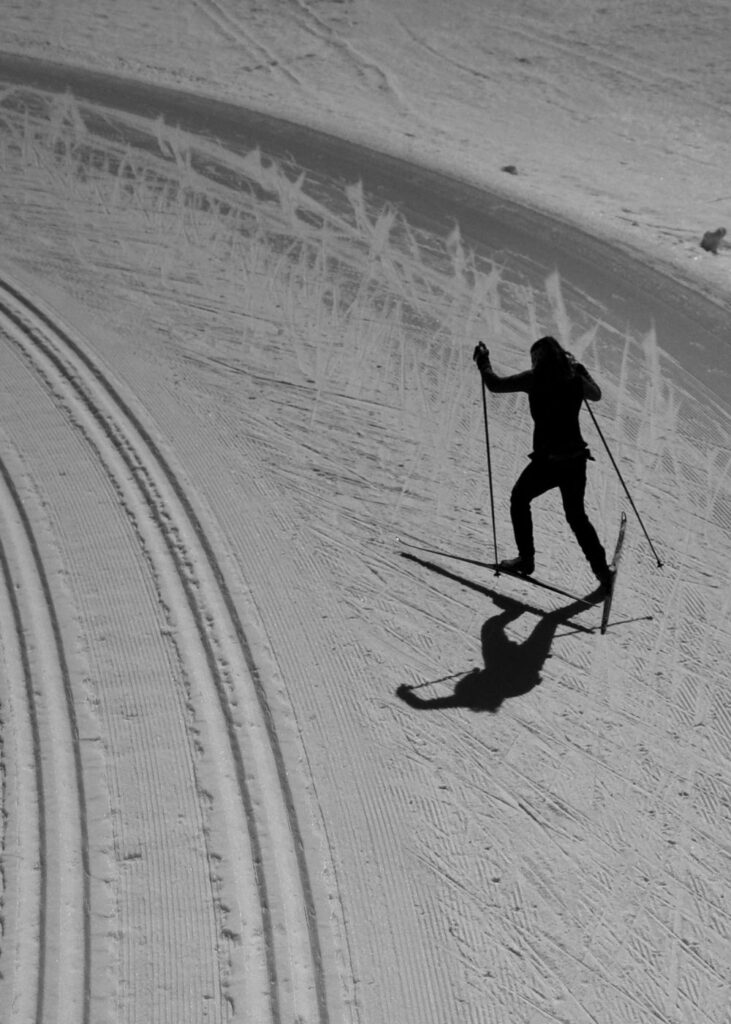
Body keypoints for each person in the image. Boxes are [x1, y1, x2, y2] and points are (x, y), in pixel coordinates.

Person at [473, 336, 613, 591]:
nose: (534, 361)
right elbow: (597, 395)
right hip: (574, 460)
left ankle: (526, 559)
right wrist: (582, 372)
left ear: (540, 358)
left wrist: (484, 362)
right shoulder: (574, 377)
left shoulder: (534, 378)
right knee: (576, 516)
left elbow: (495, 385)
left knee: (519, 498)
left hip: (549, 462)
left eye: (535, 357)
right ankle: (603, 573)